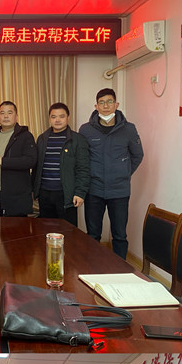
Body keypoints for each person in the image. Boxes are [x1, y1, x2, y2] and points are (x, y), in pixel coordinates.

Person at [79, 88, 143, 259]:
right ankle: (92, 268)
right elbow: (82, 158)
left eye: (109, 102)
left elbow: (137, 155)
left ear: (116, 104)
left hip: (119, 191)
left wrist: (124, 173)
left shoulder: (129, 129)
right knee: (93, 235)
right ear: (96, 106)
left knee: (119, 235)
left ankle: (120, 270)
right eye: (101, 102)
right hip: (94, 190)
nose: (106, 106)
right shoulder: (85, 130)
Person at [32, 102, 90, 226]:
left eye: (61, 116)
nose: (57, 120)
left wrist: (80, 193)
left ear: (68, 118)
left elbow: (83, 169)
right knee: (46, 230)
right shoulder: (42, 139)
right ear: (49, 119)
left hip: (66, 194)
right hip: (44, 194)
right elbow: (36, 167)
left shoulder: (77, 140)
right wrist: (35, 191)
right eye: (53, 117)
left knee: (68, 232)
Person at [0, 101, 37, 216]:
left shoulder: (25, 136)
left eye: (9, 113)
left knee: (15, 227)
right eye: (2, 113)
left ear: (16, 116)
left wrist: (3, 161)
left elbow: (30, 160)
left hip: (16, 195)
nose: (6, 116)